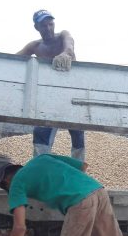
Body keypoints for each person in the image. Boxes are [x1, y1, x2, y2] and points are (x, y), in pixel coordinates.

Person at [0, 154, 123, 236]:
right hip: (98, 190)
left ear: (6, 181)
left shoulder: (15, 183)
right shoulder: (42, 158)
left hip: (80, 201)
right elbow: (83, 166)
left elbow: (20, 228)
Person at [16, 9, 85, 161]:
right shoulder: (35, 46)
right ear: (36, 28)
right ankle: (40, 168)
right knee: (41, 134)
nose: (48, 28)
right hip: (47, 98)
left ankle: (79, 173)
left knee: (78, 135)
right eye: (43, 25)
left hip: (71, 95)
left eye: (50, 24)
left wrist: (65, 54)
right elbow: (14, 61)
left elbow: (69, 46)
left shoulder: (63, 36)